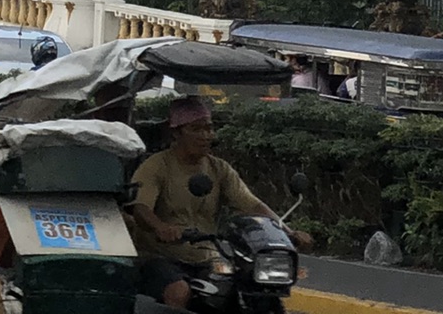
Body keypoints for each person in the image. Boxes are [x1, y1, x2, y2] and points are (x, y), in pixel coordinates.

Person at [128, 96, 309, 307]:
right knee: (178, 291)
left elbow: (250, 204)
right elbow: (140, 208)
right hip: (159, 257)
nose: (206, 136)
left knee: (244, 288)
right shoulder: (156, 166)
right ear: (176, 133)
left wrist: (286, 233)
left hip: (207, 257)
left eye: (209, 129)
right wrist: (161, 228)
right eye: (196, 129)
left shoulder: (219, 169)